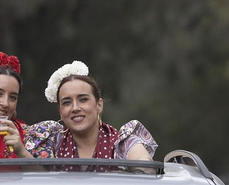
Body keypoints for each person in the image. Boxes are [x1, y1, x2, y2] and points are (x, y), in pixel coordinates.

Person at [23, 60, 156, 160]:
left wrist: (142, 163)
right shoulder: (52, 142)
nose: (75, 108)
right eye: (67, 102)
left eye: (83, 99)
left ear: (99, 105)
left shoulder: (121, 142)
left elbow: (143, 164)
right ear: (60, 111)